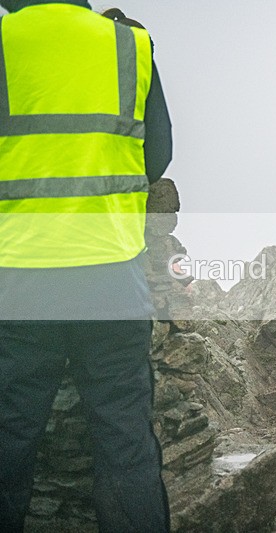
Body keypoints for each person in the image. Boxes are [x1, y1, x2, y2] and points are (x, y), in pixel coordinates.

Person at [0, 2, 172, 532]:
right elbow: (158, 155)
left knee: (8, 438)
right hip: (111, 276)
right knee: (125, 439)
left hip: (18, 279)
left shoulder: (7, 39)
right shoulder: (131, 44)